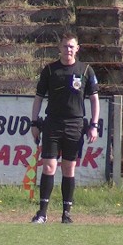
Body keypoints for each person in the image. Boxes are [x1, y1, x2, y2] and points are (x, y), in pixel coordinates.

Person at [30, 31, 100, 224]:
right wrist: (34, 122)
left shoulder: (86, 71)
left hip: (75, 124)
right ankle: (42, 213)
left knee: (69, 168)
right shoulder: (50, 70)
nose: (68, 49)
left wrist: (93, 125)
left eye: (72, 46)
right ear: (59, 48)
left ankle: (66, 213)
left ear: (77, 49)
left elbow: (94, 100)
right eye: (65, 46)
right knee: (49, 166)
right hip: (52, 123)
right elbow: (38, 98)